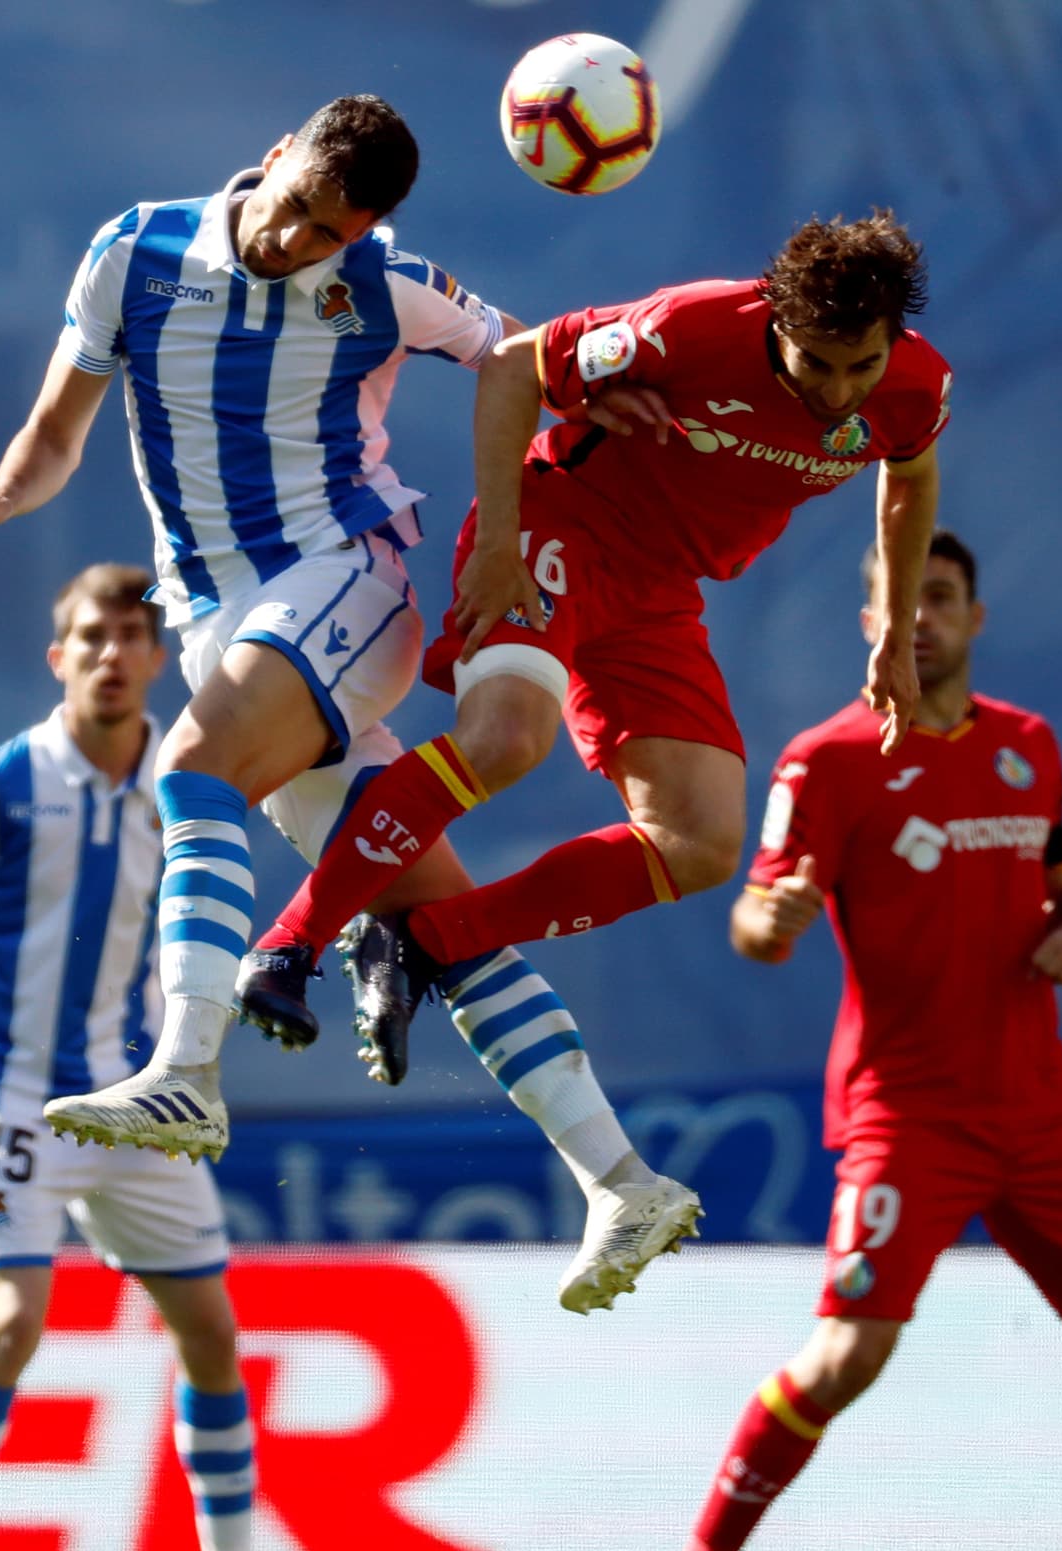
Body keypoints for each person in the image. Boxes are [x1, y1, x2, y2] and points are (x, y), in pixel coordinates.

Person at [0, 95, 702, 1315]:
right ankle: (622, 1181)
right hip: (222, 624)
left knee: (192, 769)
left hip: (344, 580)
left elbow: (518, 357)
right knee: (436, 922)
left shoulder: (384, 283)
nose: (297, 244)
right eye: (296, 211)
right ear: (271, 158)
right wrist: (5, 494)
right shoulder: (134, 251)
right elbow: (57, 431)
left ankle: (184, 1067)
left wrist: (598, 395)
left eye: (331, 234)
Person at [239, 209, 952, 1066]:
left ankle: (423, 940)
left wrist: (894, 631)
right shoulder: (690, 325)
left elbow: (910, 478)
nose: (839, 392)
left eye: (862, 366)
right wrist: (498, 542)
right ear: (777, 320)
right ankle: (288, 946)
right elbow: (515, 365)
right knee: (506, 739)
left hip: (659, 591)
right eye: (817, 364)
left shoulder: (916, 386)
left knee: (699, 842)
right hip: (561, 524)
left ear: (893, 338)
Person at [673, 530, 1062, 1551]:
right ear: (869, 621)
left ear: (974, 616)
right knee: (846, 1356)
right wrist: (768, 922)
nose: (919, 618)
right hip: (909, 1113)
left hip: (1039, 1107)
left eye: (938, 595)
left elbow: (1060, 886)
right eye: (900, 599)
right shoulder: (828, 758)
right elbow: (755, 914)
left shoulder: (1027, 745)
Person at [0, 564, 252, 1551]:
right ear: (58, 656)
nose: (110, 654)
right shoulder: (1, 781)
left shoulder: (188, 778)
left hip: (142, 1107)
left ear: (159, 658)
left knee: (212, 1338)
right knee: (10, 1324)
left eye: (130, 636)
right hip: (21, 1102)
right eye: (90, 637)